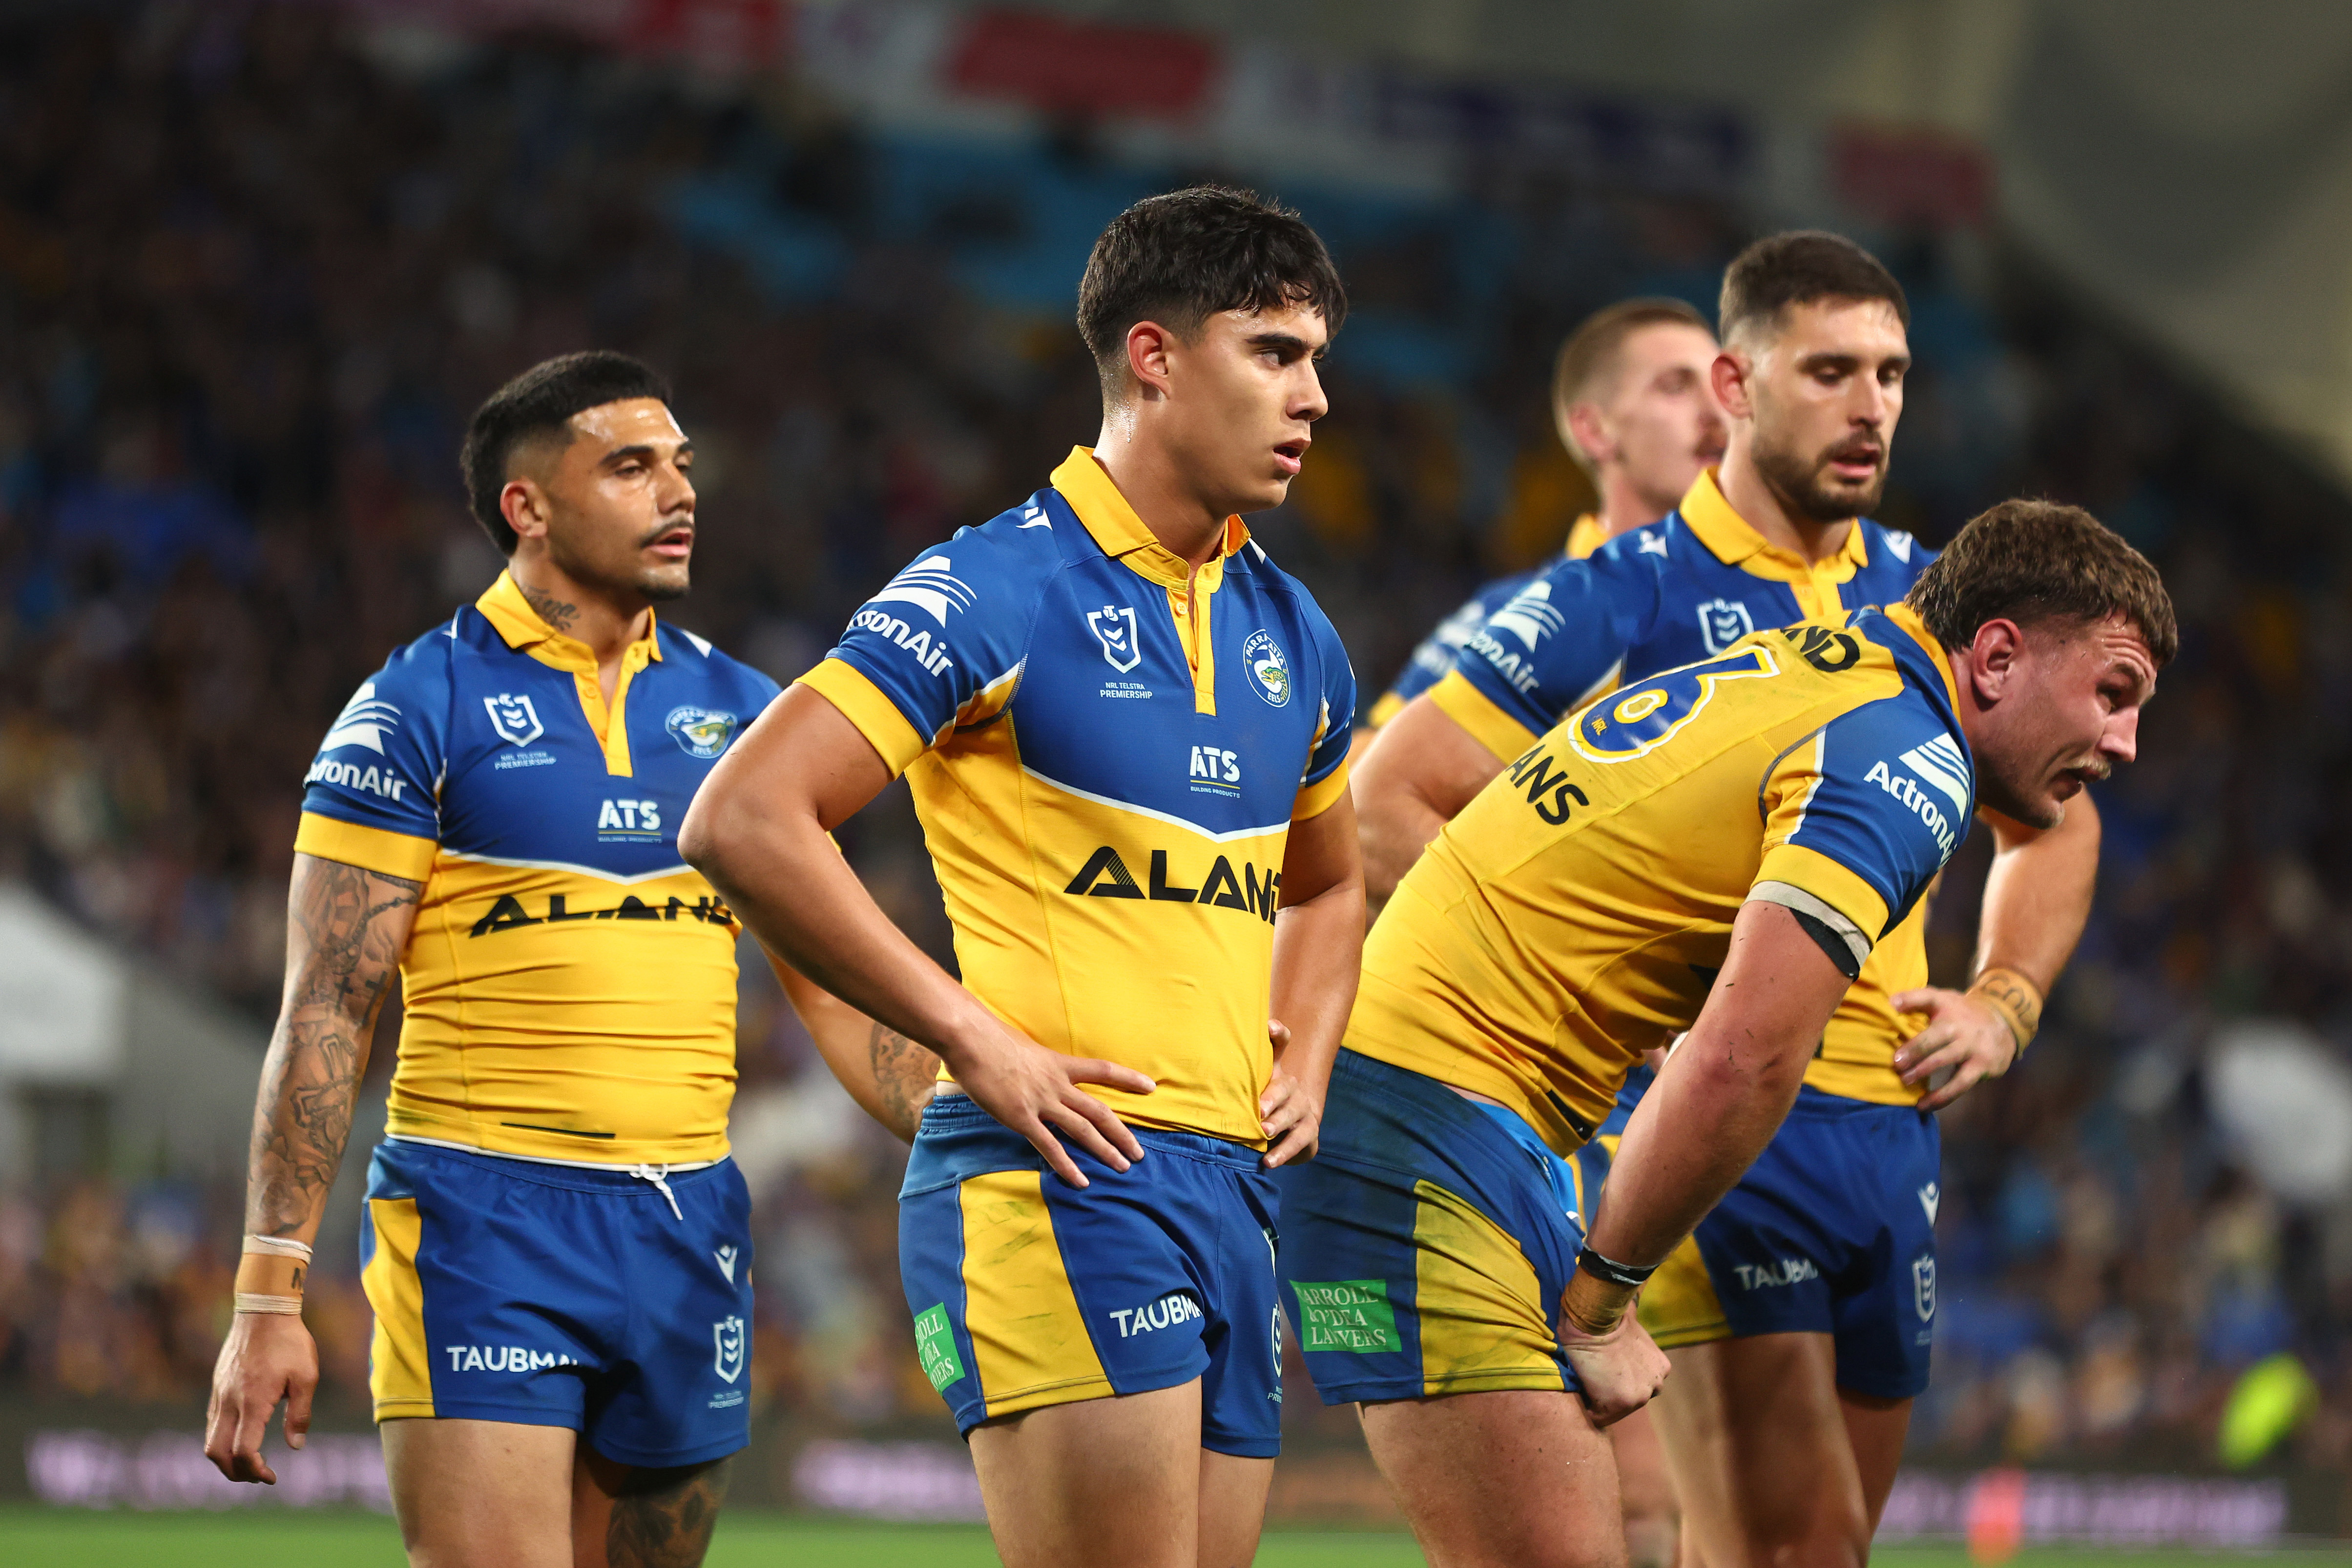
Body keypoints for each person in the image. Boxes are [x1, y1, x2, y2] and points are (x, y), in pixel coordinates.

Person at [1342, 231, 2103, 1562]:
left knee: (1818, 1546)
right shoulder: (1618, 593)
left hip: (1889, 1124)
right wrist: (1603, 1019)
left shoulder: (1934, 601)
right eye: (1830, 371)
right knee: (1767, 1538)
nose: (1871, 405)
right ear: (1735, 388)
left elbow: (2059, 819)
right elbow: (1386, 797)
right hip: (1710, 1116)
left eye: (1893, 373)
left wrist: (2007, 997)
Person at [680, 186, 1367, 1568]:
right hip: (1062, 1180)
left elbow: (1331, 885)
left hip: (1231, 1192)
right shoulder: (997, 585)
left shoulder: (1298, 630)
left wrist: (1311, 1052)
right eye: (1275, 354)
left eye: (1319, 360)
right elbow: (746, 818)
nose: (1315, 398)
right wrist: (970, 1034)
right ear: (1157, 357)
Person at [203, 352, 834, 1568]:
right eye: (632, 465)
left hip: (690, 1219)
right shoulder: (414, 710)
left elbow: (839, 992)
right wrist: (266, 1295)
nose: (678, 491)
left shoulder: (750, 714)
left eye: (684, 464)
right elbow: (329, 1003)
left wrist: (994, 1121)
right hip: (483, 1218)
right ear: (527, 506)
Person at [1365, 294, 1724, 1567]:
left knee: (1748, 1502)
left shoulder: (1806, 623)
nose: (1715, 404)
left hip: (1735, 1110)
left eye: (1724, 377)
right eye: (1675, 382)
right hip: (1562, 1113)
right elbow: (1368, 812)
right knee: (1618, 1489)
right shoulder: (1531, 623)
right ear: (1593, 427)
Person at [1361, 298, 1725, 738]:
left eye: (1725, 386)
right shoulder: (1513, 617)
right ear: (1594, 431)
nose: (1717, 413)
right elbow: (1371, 775)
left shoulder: (1796, 584)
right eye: (1675, 387)